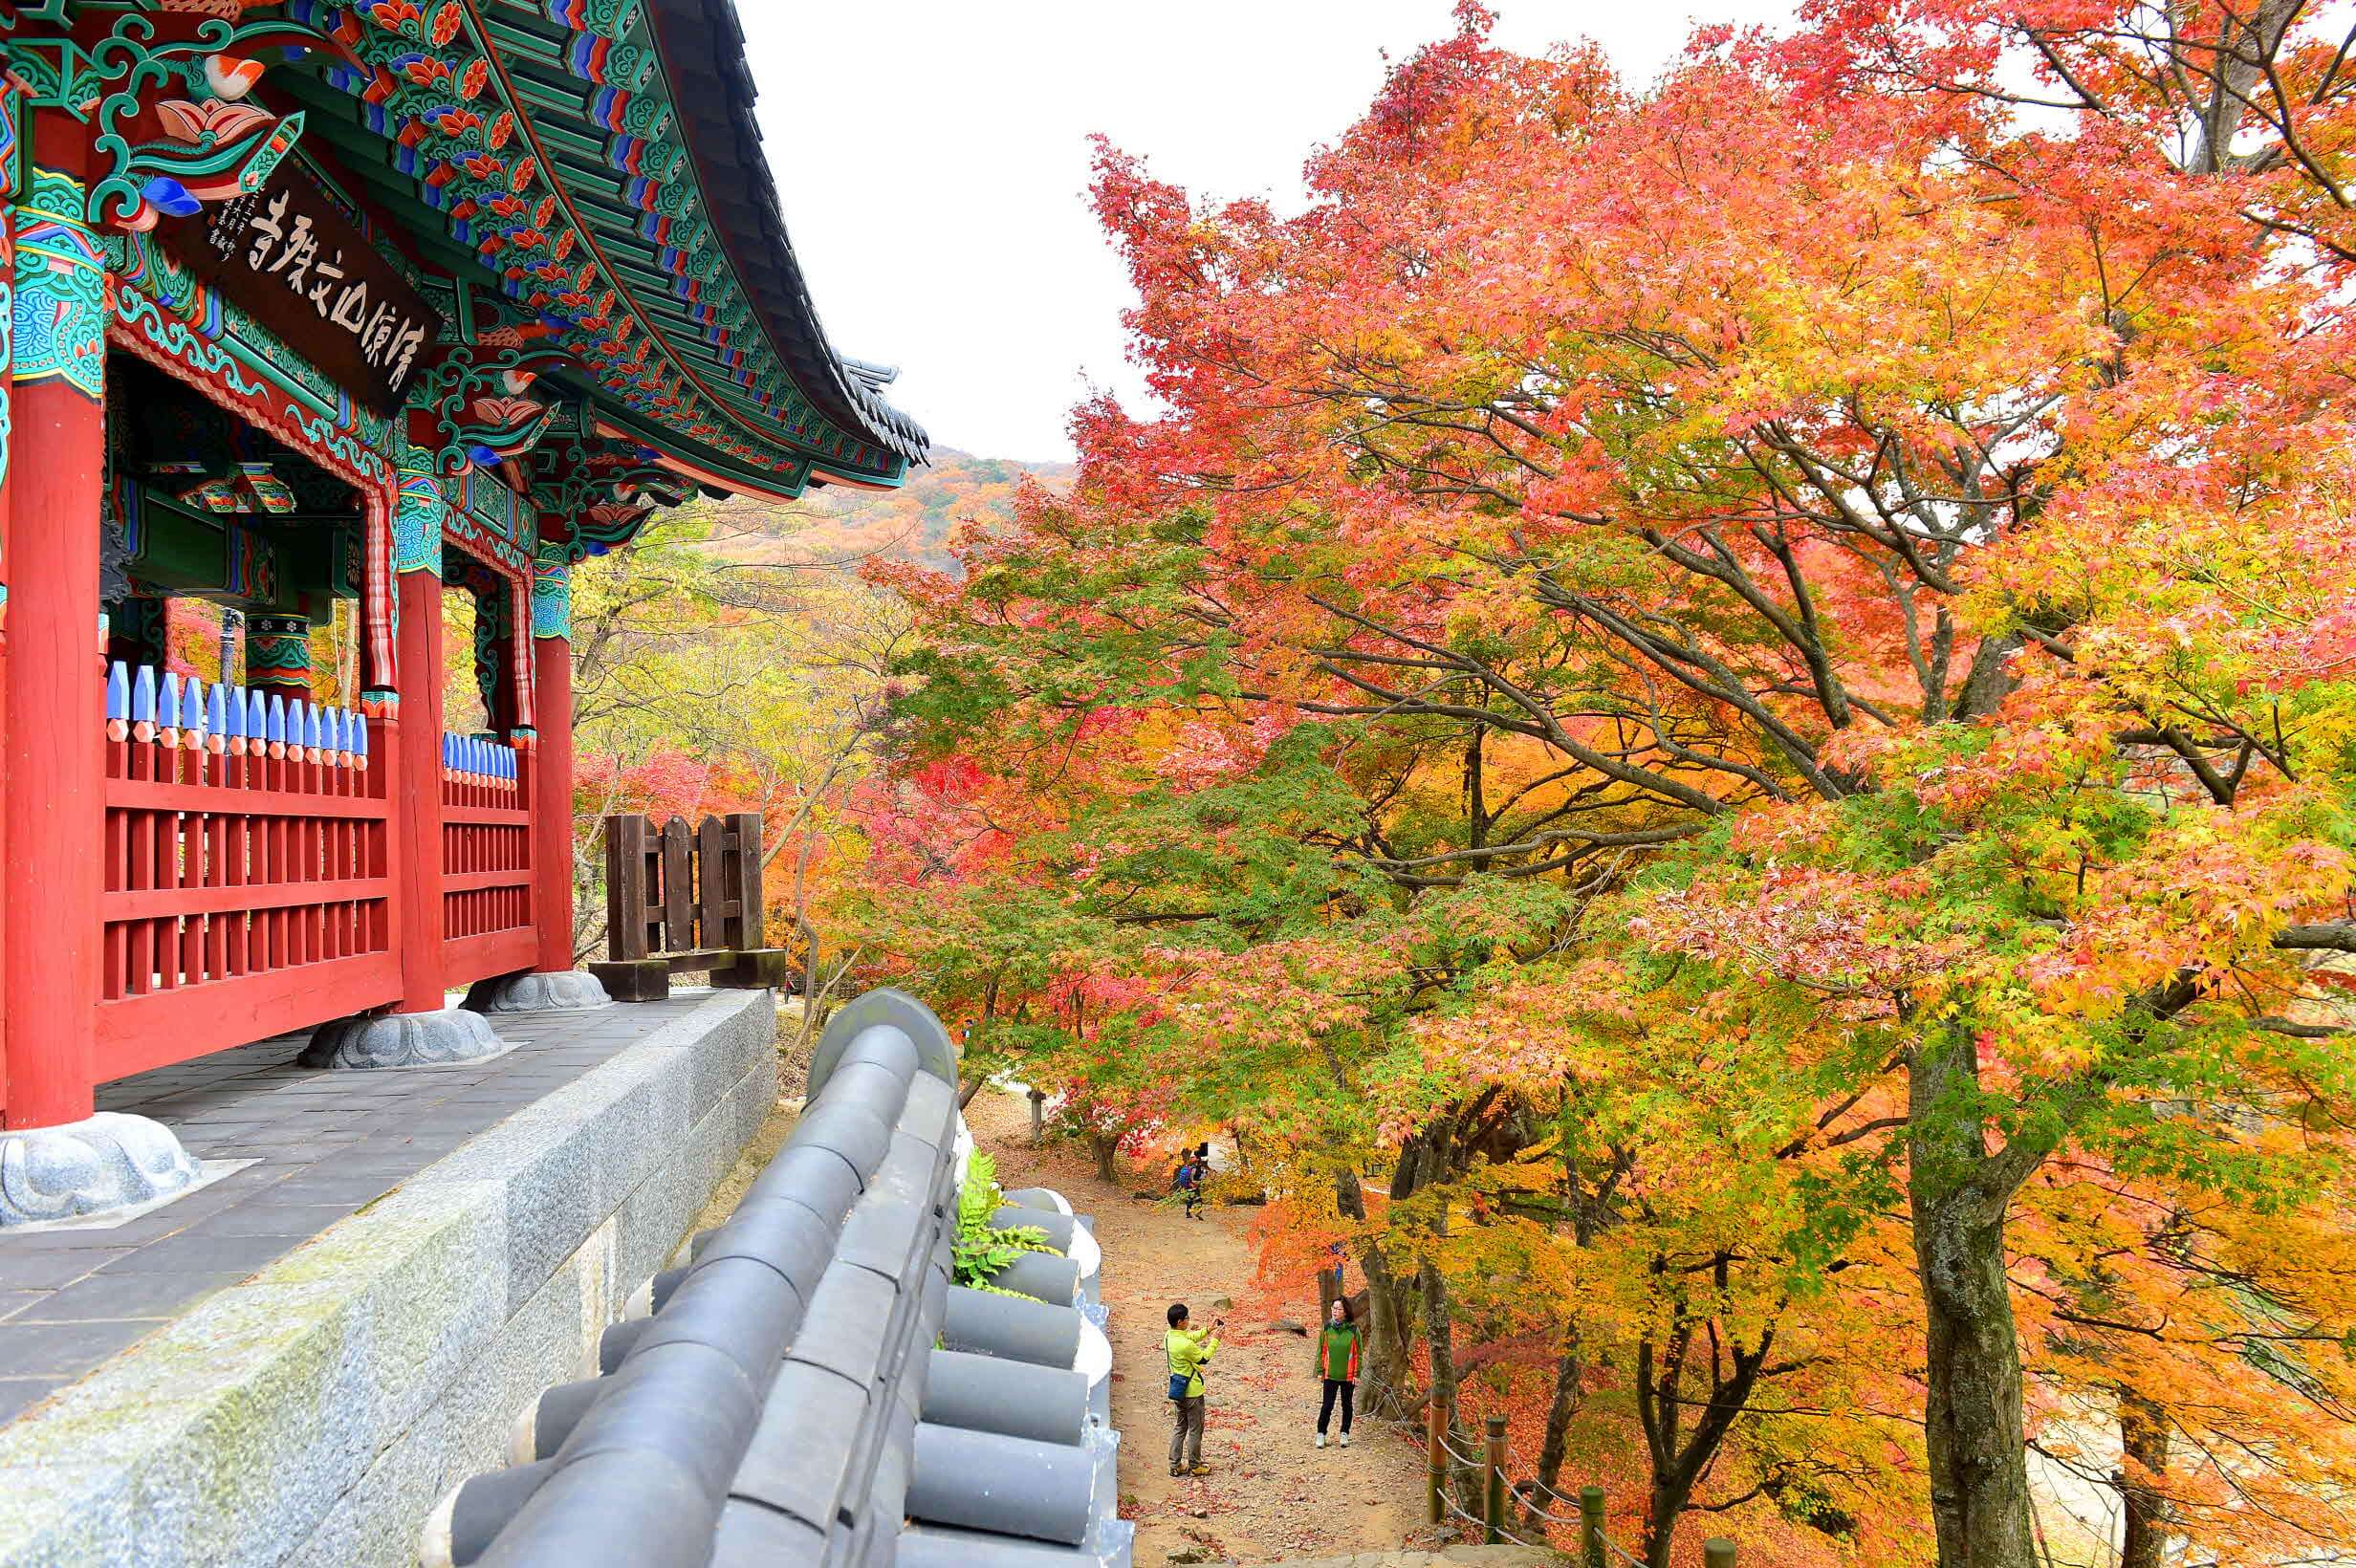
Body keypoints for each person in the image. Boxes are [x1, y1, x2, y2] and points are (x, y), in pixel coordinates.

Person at [1165, 1300, 1221, 1477]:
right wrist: (1215, 1341)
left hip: (1178, 1389)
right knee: (1196, 1429)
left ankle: (1175, 1465)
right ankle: (1195, 1465)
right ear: (1181, 1322)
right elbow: (1203, 1358)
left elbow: (1189, 1337)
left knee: (1180, 1426)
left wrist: (1207, 1330)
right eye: (1187, 1318)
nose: (1189, 1321)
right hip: (1192, 1393)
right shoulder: (1185, 1345)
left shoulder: (1169, 1336)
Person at [1313, 1296, 1362, 1448]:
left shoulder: (1353, 1330)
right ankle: (1321, 1434)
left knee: (1347, 1405)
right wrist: (1320, 1370)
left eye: (1339, 1309)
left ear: (1345, 1312)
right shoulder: (1327, 1328)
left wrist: (1357, 1374)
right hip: (1330, 1374)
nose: (1335, 1311)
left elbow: (1358, 1353)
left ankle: (1344, 1433)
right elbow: (1321, 1349)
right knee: (1327, 1405)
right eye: (1333, 1308)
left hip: (1348, 1376)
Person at [1174, 1150, 1205, 1220]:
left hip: (1191, 1185)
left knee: (1191, 1199)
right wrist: (1192, 1184)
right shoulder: (1194, 1166)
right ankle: (1196, 1213)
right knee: (1197, 1199)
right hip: (1192, 1185)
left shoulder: (1194, 1165)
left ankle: (1189, 1213)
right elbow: (1191, 1176)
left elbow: (1200, 1176)